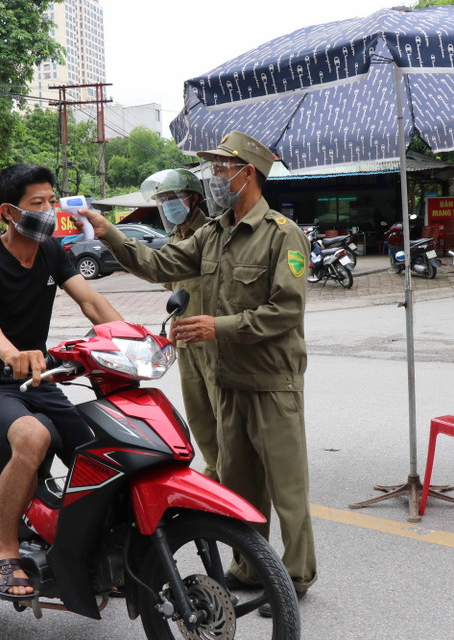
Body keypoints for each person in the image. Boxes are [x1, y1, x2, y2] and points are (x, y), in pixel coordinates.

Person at [77, 131, 317, 617]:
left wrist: (217, 326)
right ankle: (251, 567)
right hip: (227, 380)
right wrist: (110, 234)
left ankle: (295, 577)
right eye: (210, 169)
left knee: (286, 487)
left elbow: (285, 311)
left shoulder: (281, 234)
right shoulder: (212, 233)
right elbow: (159, 262)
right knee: (240, 481)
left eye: (220, 169)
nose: (213, 177)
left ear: (247, 173)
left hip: (272, 380)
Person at [0, 164, 122, 601]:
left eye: (51, 200)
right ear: (7, 212)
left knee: (98, 445)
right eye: (36, 204)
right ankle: (5, 550)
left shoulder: (52, 252)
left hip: (39, 378)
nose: (48, 211)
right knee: (33, 435)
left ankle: (89, 540)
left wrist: (130, 340)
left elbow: (90, 300)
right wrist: (10, 353)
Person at [140, 168, 220, 480]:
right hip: (184, 341)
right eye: (162, 201)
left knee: (221, 416)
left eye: (172, 198)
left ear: (193, 198)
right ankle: (214, 472)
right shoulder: (174, 237)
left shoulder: (211, 234)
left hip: (213, 340)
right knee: (199, 417)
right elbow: (173, 285)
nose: (168, 205)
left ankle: (229, 475)